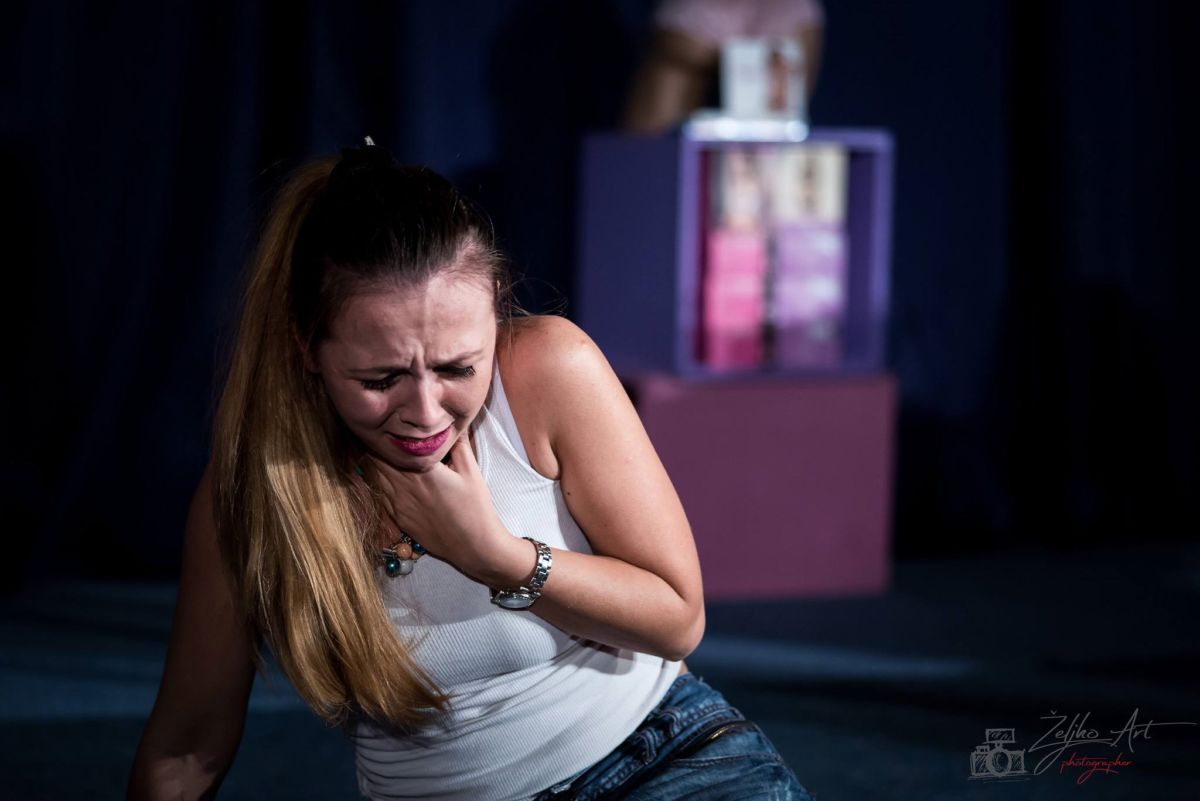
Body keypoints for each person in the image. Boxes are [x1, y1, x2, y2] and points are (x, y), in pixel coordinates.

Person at [127, 141, 812, 800]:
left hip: (659, 763)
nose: (426, 412)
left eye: (458, 367)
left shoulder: (549, 367)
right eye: (380, 378)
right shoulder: (250, 496)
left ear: (496, 312)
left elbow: (677, 618)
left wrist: (496, 556)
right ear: (307, 347)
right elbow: (187, 750)